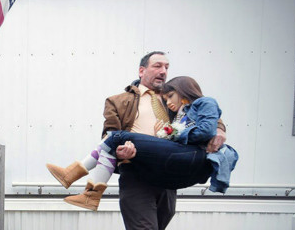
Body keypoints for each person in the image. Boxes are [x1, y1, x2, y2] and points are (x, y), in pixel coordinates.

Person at [47, 51, 227, 230]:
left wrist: (220, 132)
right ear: (142, 70)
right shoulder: (119, 100)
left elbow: (205, 116)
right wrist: (122, 151)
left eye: (167, 66)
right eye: (157, 65)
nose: (163, 70)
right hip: (136, 172)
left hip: (168, 174)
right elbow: (109, 135)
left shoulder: (175, 98)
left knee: (156, 228)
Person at [49, 75, 237, 210]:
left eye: (170, 97)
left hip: (189, 155)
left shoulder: (203, 102)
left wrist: (172, 134)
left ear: (182, 91)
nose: (169, 102)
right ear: (142, 70)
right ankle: (89, 193)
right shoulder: (181, 110)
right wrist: (164, 135)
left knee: (116, 137)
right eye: (158, 66)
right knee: (112, 142)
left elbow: (207, 128)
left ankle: (74, 176)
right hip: (168, 156)